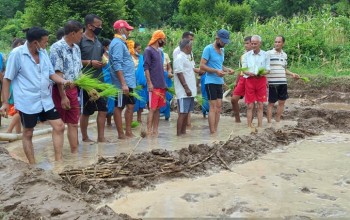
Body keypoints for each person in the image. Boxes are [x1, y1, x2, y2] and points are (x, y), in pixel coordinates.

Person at [0, 27, 72, 164]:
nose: (47, 44)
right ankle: (33, 166)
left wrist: (64, 81)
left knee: (59, 126)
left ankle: (59, 161)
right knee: (28, 133)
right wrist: (5, 103)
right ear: (35, 43)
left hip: (45, 98)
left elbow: (51, 74)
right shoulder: (17, 54)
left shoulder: (43, 53)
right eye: (45, 42)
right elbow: (7, 78)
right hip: (27, 100)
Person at [50, 20, 83, 153]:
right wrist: (63, 97)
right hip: (61, 91)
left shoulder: (76, 48)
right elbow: (58, 74)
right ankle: (59, 159)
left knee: (74, 123)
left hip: (74, 89)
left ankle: (74, 155)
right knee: (60, 126)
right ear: (73, 33)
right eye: (80, 33)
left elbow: (79, 71)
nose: (82, 36)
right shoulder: (57, 48)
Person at [78, 14, 107, 142]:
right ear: (89, 26)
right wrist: (90, 62)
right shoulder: (80, 41)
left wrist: (102, 62)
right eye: (98, 26)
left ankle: (101, 138)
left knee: (103, 109)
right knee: (87, 111)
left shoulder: (98, 41)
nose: (100, 28)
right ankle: (84, 137)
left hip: (100, 81)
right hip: (86, 82)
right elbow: (74, 61)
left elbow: (100, 57)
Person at [200, 29, 234, 134]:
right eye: (222, 41)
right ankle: (212, 132)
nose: (224, 44)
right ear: (217, 38)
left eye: (225, 42)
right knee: (213, 107)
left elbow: (220, 65)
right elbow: (202, 66)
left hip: (219, 82)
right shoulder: (208, 49)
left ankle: (215, 130)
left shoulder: (222, 51)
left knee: (219, 108)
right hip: (210, 82)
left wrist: (227, 69)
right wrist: (216, 71)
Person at [109, 20, 136, 139]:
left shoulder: (121, 42)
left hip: (129, 82)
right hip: (122, 83)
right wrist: (123, 83)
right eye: (127, 29)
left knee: (130, 106)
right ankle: (121, 134)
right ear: (121, 30)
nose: (129, 32)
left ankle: (128, 131)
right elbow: (117, 64)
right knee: (119, 107)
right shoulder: (117, 44)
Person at [266, 35, 300, 127]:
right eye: (275, 42)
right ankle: (269, 123)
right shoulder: (268, 54)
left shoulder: (284, 55)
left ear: (283, 43)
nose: (277, 44)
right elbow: (264, 68)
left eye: (279, 42)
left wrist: (292, 74)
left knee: (282, 102)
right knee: (271, 103)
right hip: (272, 82)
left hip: (283, 82)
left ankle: (277, 121)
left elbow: (284, 69)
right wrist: (265, 80)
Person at [242, 35, 270, 129]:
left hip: (261, 80)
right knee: (250, 105)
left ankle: (260, 126)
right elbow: (244, 69)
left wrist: (261, 73)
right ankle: (249, 126)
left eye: (255, 43)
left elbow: (268, 70)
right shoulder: (246, 56)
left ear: (260, 44)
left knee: (260, 105)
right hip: (250, 80)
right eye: (252, 43)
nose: (253, 45)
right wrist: (248, 73)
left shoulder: (265, 55)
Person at [144, 30, 167, 137]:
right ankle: (148, 131)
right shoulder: (148, 50)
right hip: (154, 85)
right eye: (163, 39)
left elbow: (160, 69)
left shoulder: (159, 51)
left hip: (161, 84)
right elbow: (146, 68)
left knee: (158, 108)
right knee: (152, 109)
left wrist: (164, 83)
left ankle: (155, 130)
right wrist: (149, 83)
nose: (164, 41)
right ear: (159, 39)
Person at [174, 39, 197, 135]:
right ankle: (179, 134)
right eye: (191, 46)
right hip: (184, 91)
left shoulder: (186, 57)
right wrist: (186, 88)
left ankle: (183, 134)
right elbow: (179, 73)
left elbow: (190, 71)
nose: (191, 48)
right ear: (187, 47)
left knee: (186, 112)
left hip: (189, 91)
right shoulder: (180, 58)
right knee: (183, 113)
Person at [6, 38, 26, 134]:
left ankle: (16, 132)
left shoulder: (14, 55)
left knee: (17, 110)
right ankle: (10, 131)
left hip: (14, 85)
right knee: (18, 110)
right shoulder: (16, 55)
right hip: (15, 86)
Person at [231, 36, 252, 123]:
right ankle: (237, 120)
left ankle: (250, 122)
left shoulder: (257, 56)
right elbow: (240, 70)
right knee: (233, 99)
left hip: (252, 79)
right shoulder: (242, 56)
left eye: (247, 43)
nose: (245, 45)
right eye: (245, 43)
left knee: (250, 102)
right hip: (243, 79)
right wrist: (236, 82)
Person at [132, 42, 148, 123]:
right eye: (138, 49)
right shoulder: (130, 57)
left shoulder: (142, 58)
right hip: (133, 82)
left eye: (140, 49)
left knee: (141, 100)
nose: (139, 50)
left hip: (142, 83)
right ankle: (130, 119)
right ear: (133, 49)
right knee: (132, 102)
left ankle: (139, 118)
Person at [101, 39, 114, 126]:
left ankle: (109, 122)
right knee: (105, 102)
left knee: (112, 100)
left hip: (112, 80)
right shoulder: (101, 56)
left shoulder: (111, 56)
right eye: (110, 45)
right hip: (105, 80)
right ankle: (103, 122)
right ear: (106, 47)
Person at [159, 50, 173, 121]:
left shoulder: (165, 55)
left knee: (167, 96)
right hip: (157, 77)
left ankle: (167, 114)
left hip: (166, 77)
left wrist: (169, 72)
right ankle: (159, 112)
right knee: (158, 95)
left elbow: (169, 68)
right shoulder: (152, 54)